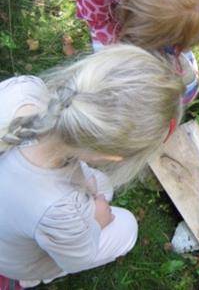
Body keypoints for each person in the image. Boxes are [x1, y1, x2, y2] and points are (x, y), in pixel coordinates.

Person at [0, 45, 185, 288]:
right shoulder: (58, 211)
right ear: (113, 156)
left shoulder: (24, 91)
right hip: (13, 260)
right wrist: (96, 221)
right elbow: (77, 259)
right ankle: (27, 279)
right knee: (126, 226)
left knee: (102, 186)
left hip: (18, 213)